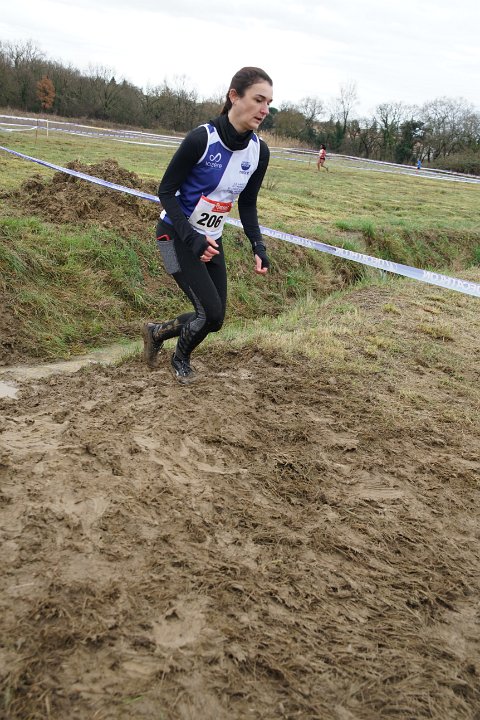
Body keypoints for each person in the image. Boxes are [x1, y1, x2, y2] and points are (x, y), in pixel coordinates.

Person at [142, 67, 273, 384]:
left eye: (269, 103)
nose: (265, 110)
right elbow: (165, 192)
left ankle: (156, 333)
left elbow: (248, 204)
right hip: (171, 237)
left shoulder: (259, 151)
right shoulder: (201, 139)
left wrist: (258, 245)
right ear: (234, 97)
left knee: (215, 319)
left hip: (210, 240)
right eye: (258, 100)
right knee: (209, 312)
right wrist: (191, 239)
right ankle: (180, 359)